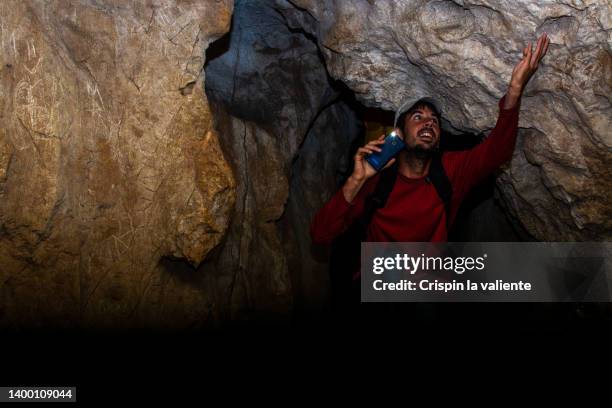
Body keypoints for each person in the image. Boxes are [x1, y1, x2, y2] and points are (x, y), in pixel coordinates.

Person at [311, 33, 550, 274]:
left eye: (434, 121)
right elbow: (321, 235)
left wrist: (515, 89)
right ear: (399, 134)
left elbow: (497, 151)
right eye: (418, 117)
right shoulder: (376, 181)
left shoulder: (448, 170)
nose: (428, 124)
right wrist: (356, 180)